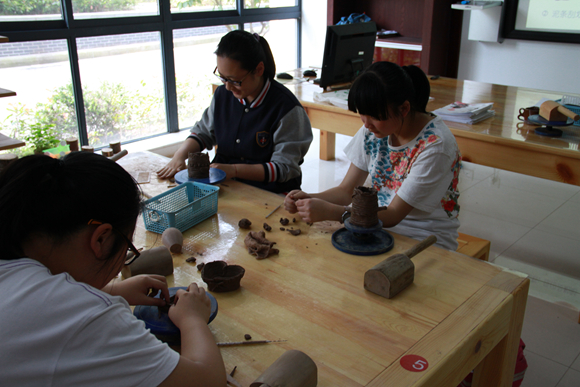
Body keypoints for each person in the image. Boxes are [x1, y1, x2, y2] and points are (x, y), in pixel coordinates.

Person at [0, 152, 226, 387]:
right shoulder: (88, 320)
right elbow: (208, 382)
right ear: (101, 240)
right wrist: (192, 320)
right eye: (128, 247)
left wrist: (111, 290)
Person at [284, 62, 462, 250]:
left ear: (404, 109)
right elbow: (346, 191)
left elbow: (393, 214)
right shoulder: (376, 130)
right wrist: (308, 199)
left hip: (422, 238)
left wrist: (334, 212)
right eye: (362, 114)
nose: (366, 124)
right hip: (372, 227)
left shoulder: (435, 146)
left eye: (374, 116)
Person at [157, 30, 313, 194]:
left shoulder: (287, 109)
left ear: (259, 69)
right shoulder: (223, 95)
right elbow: (203, 132)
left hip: (270, 192)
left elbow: (284, 168)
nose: (227, 87)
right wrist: (179, 156)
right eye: (222, 78)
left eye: (234, 80)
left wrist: (235, 170)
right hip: (226, 185)